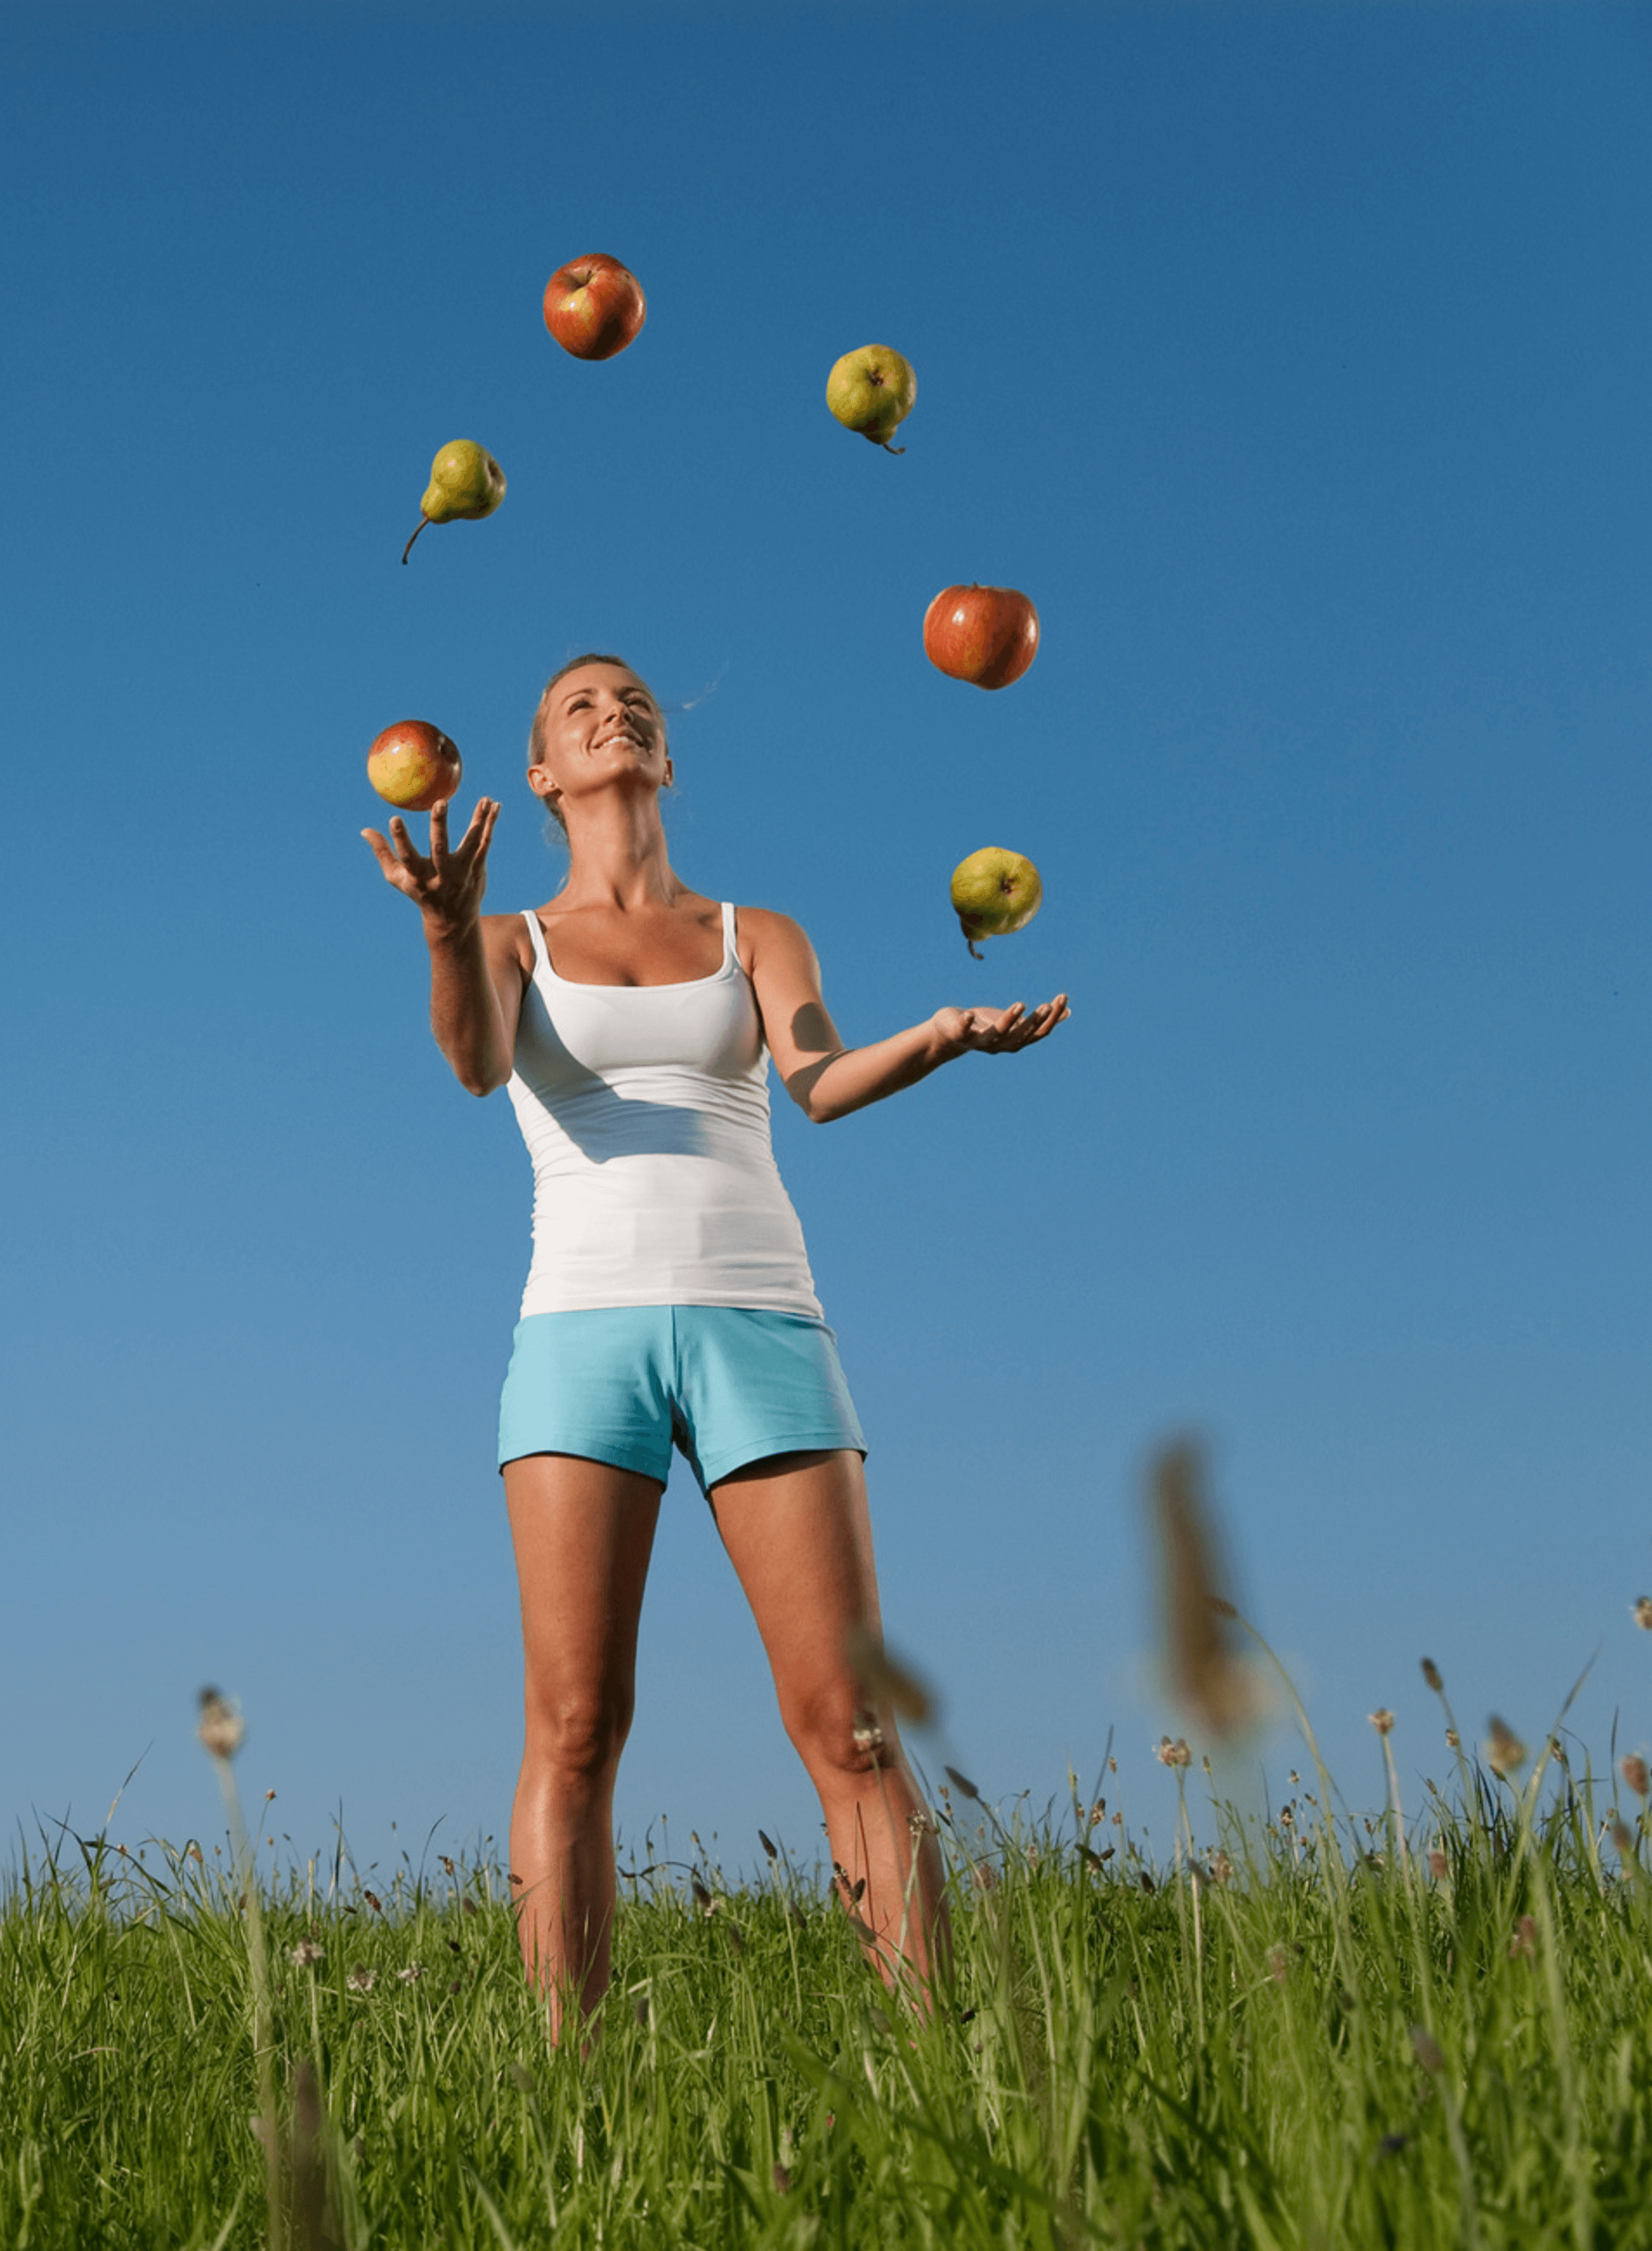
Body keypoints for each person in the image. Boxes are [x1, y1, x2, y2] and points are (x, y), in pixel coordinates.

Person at [361, 653, 1066, 2021]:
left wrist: (941, 1032)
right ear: (541, 777)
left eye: (632, 701)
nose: (611, 710)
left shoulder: (759, 930)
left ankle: (939, 2066)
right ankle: (568, 2097)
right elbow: (473, 1063)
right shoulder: (511, 937)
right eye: (578, 706)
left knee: (851, 1727)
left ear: (664, 759)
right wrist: (448, 927)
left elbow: (817, 1078)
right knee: (574, 1730)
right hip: (580, 1332)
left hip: (763, 1320)